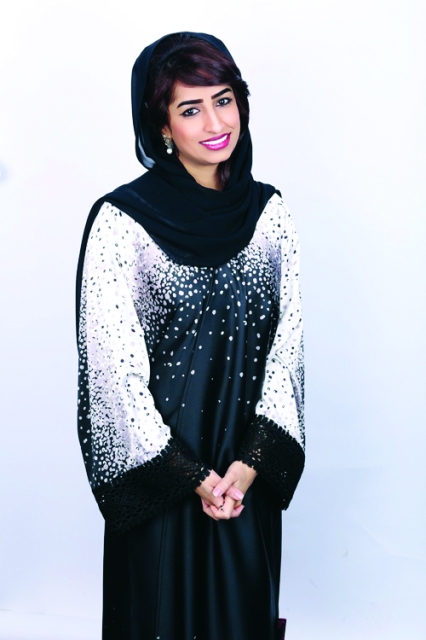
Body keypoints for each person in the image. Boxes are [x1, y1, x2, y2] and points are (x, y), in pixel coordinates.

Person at [76, 31, 305, 640]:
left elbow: (287, 351)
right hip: (164, 482)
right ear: (161, 126)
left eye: (223, 100)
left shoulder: (270, 215)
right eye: (190, 108)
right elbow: (112, 373)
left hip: (244, 477)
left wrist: (250, 466)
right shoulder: (123, 222)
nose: (215, 123)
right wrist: (190, 476)